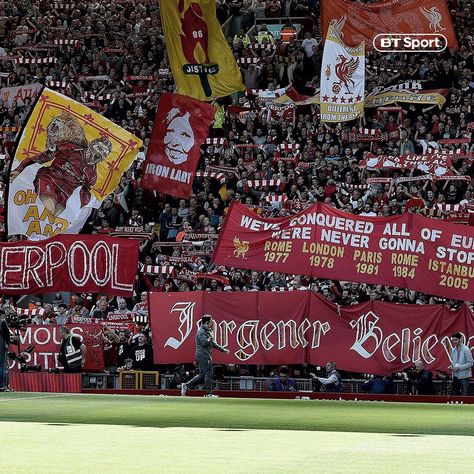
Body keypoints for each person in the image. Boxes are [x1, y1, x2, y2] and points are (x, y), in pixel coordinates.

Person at [10, 127, 112, 216]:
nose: (100, 153)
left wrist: (81, 208)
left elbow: (85, 194)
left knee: (54, 220)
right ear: (91, 145)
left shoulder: (92, 175)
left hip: (64, 195)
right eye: (99, 148)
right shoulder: (71, 149)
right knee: (49, 207)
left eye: (104, 153)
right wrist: (19, 168)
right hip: (50, 179)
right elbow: (42, 157)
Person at [181, 314, 230, 397]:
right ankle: (208, 393)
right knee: (209, 373)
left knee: (202, 375)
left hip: (204, 355)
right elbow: (204, 343)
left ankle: (186, 385)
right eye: (211, 321)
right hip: (203, 355)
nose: (212, 323)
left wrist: (223, 349)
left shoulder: (208, 331)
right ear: (207, 322)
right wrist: (210, 338)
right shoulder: (201, 332)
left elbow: (213, 343)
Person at [0, 311, 13, 391]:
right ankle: (2, 386)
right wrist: (7, 343)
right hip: (1, 346)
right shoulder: (2, 321)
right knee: (2, 366)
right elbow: (7, 334)